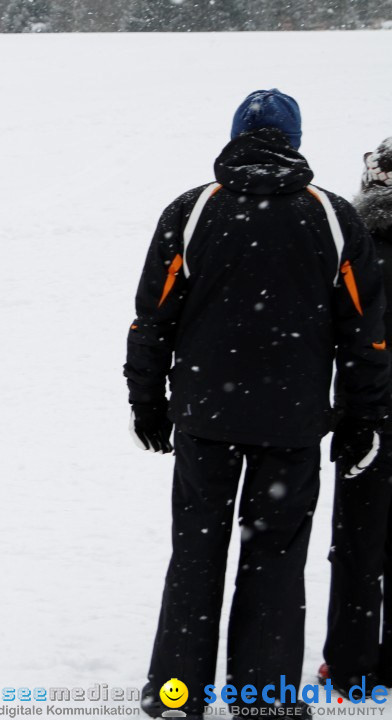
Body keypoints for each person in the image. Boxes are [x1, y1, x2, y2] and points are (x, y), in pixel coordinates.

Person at [125, 90, 389, 719]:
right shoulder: (329, 217)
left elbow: (150, 320)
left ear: (236, 135)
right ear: (293, 140)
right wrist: (363, 419)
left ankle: (176, 694)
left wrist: (147, 402)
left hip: (204, 419)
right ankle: (264, 697)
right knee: (275, 556)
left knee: (196, 549)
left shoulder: (192, 211)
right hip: (291, 425)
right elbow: (365, 334)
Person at [321, 137, 392, 694]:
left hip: (371, 410)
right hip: (372, 405)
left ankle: (352, 664)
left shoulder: (356, 242)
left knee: (358, 544)